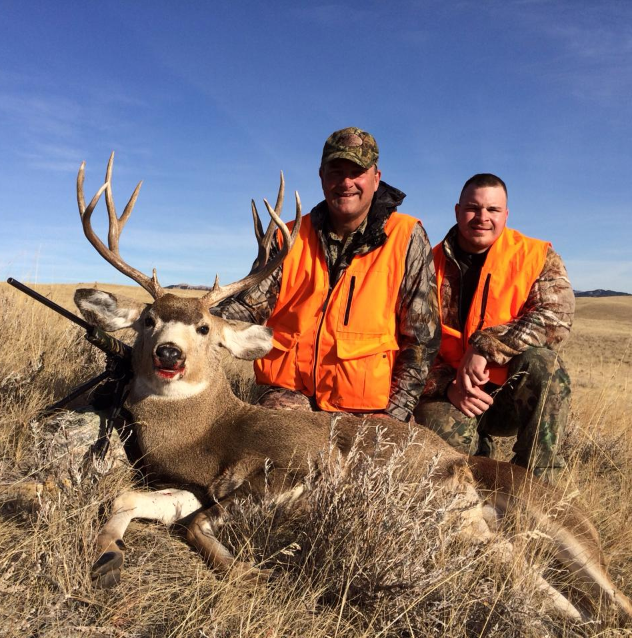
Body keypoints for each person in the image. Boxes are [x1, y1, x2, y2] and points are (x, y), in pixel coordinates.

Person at [212, 127, 440, 422]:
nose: (346, 182)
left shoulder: (406, 236)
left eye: (356, 172)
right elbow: (248, 305)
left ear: (376, 178)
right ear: (321, 176)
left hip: (369, 406)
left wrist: (395, 412)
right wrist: (192, 318)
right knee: (268, 442)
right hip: (292, 394)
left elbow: (422, 337)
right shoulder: (289, 237)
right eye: (336, 172)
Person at [414, 173, 575, 482]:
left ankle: (537, 485)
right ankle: (473, 486)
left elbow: (556, 319)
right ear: (457, 211)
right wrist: (447, 386)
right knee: (451, 467)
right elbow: (410, 342)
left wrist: (484, 347)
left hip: (509, 394)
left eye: (492, 209)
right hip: (452, 392)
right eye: (473, 208)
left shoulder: (535, 256)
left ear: (506, 214)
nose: (482, 217)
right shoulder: (425, 265)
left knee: (545, 364)